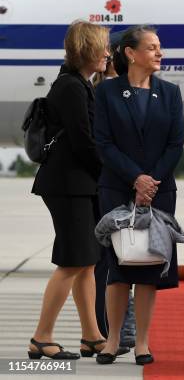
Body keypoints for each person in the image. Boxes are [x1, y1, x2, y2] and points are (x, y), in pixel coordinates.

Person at [93, 25, 184, 365]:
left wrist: (151, 181)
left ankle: (143, 342)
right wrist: (136, 178)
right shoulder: (107, 93)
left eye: (159, 47)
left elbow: (176, 144)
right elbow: (103, 143)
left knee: (149, 265)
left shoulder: (171, 93)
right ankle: (112, 340)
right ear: (131, 53)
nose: (160, 53)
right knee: (117, 265)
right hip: (118, 187)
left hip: (159, 192)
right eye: (152, 47)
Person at [29, 20, 109, 360]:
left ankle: (92, 335)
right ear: (87, 50)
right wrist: (109, 172)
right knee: (72, 262)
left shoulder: (79, 84)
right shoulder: (72, 87)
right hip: (69, 185)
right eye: (103, 46)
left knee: (87, 261)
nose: (108, 52)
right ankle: (41, 337)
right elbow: (83, 141)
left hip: (77, 184)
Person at [92, 29, 137, 351]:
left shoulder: (110, 89)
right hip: (109, 184)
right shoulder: (107, 92)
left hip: (115, 182)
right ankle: (113, 329)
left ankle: (111, 329)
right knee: (110, 261)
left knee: (112, 259)